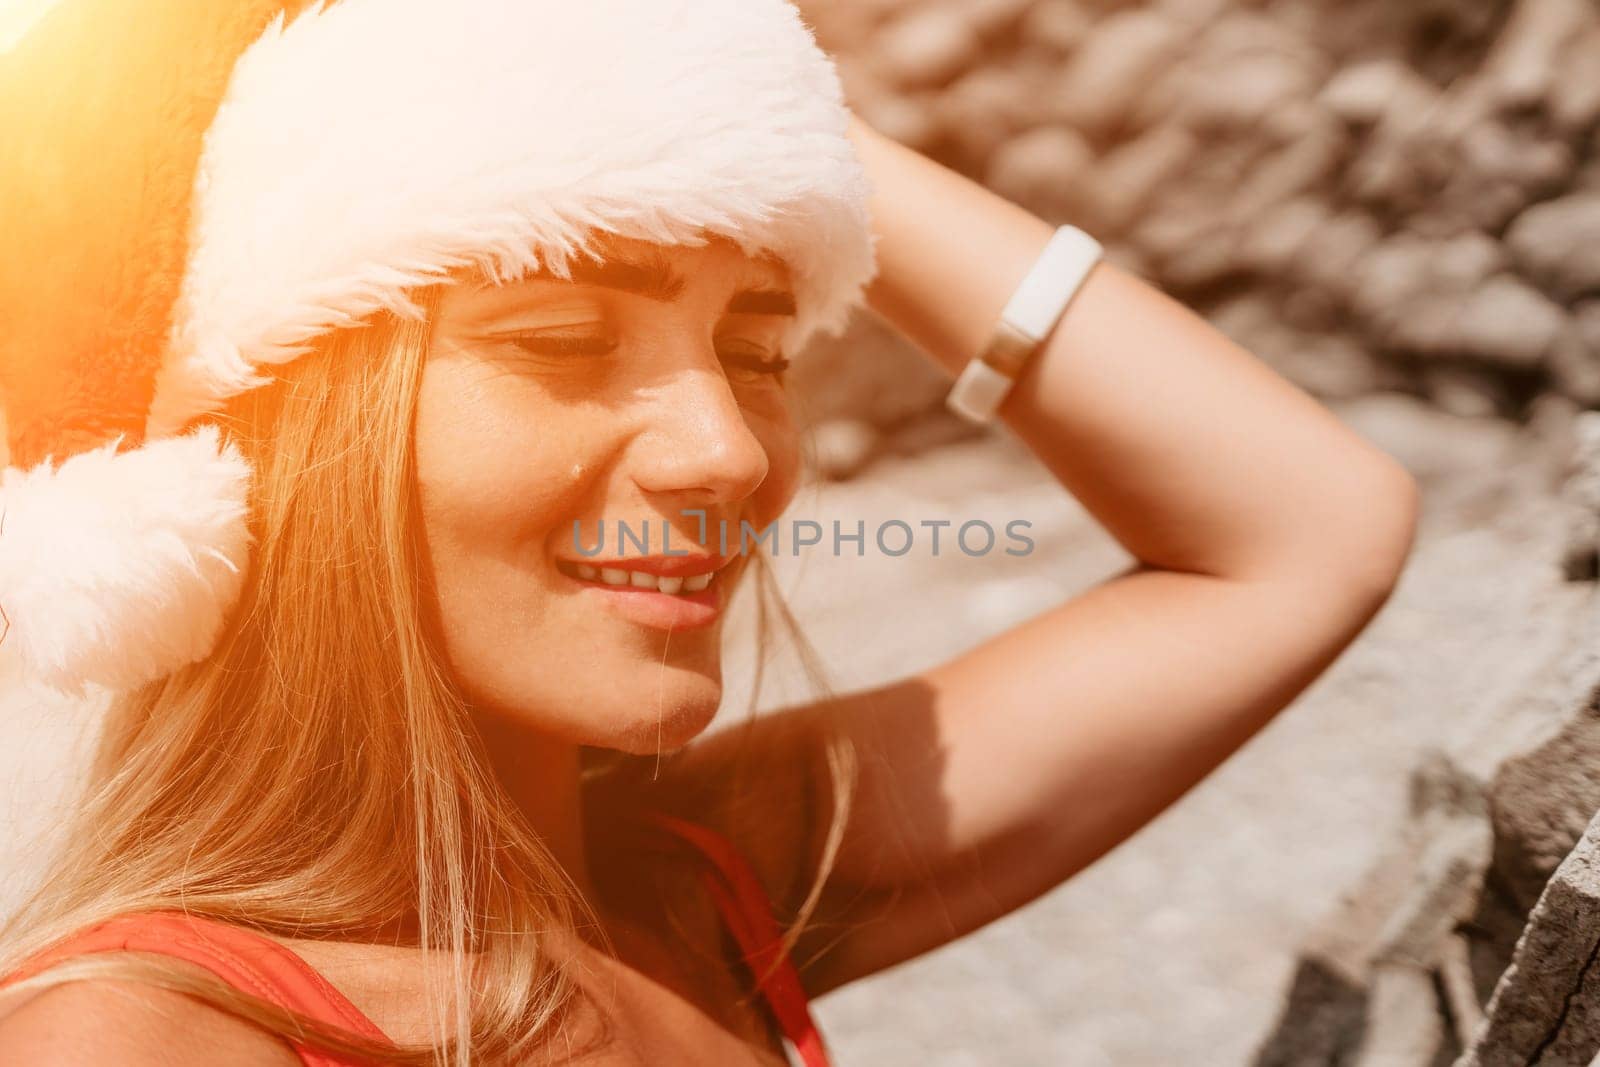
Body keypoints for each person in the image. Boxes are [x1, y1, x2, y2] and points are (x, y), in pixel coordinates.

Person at [0, 0, 1420, 1064]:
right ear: (275, 444)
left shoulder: (693, 898)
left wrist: (731, 96)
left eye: (758, 349)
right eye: (564, 339)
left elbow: (1310, 530)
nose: (730, 452)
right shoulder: (138, 1041)